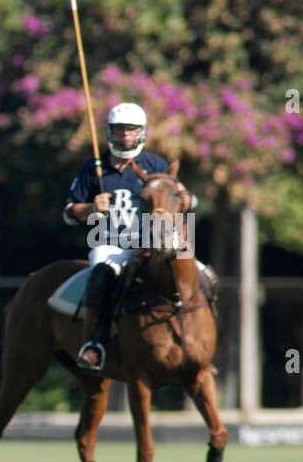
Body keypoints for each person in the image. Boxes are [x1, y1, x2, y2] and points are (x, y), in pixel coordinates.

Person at [63, 102, 209, 371]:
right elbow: (71, 212)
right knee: (100, 277)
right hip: (109, 243)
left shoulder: (155, 164)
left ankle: (203, 346)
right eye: (120, 131)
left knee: (205, 277)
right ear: (110, 133)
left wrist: (189, 198)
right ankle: (96, 343)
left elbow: (183, 197)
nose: (126, 137)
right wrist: (93, 207)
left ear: (141, 133)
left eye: (131, 131)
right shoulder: (93, 167)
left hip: (152, 243)